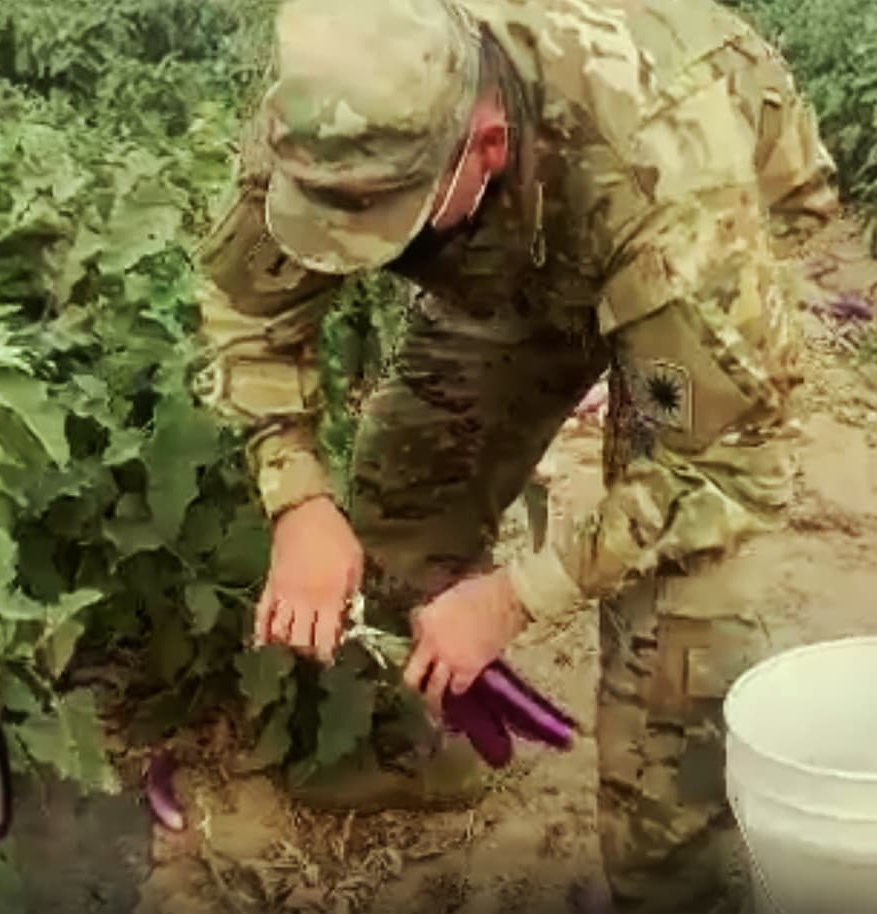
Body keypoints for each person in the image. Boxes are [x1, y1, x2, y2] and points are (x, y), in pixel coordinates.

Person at [193, 0, 839, 909]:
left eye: (392, 221)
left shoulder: (671, 180)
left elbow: (721, 466)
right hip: (515, 242)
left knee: (678, 635)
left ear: (485, 144)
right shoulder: (337, 111)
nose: (355, 249)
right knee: (407, 490)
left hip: (670, 237)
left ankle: (678, 878)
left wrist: (514, 598)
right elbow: (247, 306)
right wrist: (296, 494)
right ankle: (420, 750)